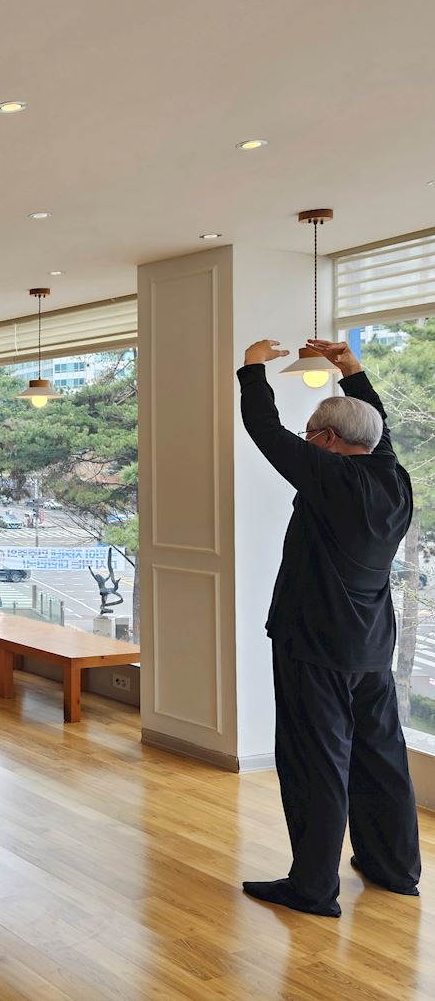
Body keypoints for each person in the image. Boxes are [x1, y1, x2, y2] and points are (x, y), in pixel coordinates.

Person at [238, 338, 421, 917]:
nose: (307, 441)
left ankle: (313, 889)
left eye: (312, 435)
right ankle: (394, 868)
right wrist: (352, 370)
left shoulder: (331, 476)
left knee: (315, 762)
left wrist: (252, 367)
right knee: (381, 757)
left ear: (326, 441)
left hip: (315, 644)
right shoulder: (395, 479)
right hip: (371, 648)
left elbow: (264, 429)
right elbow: (377, 429)